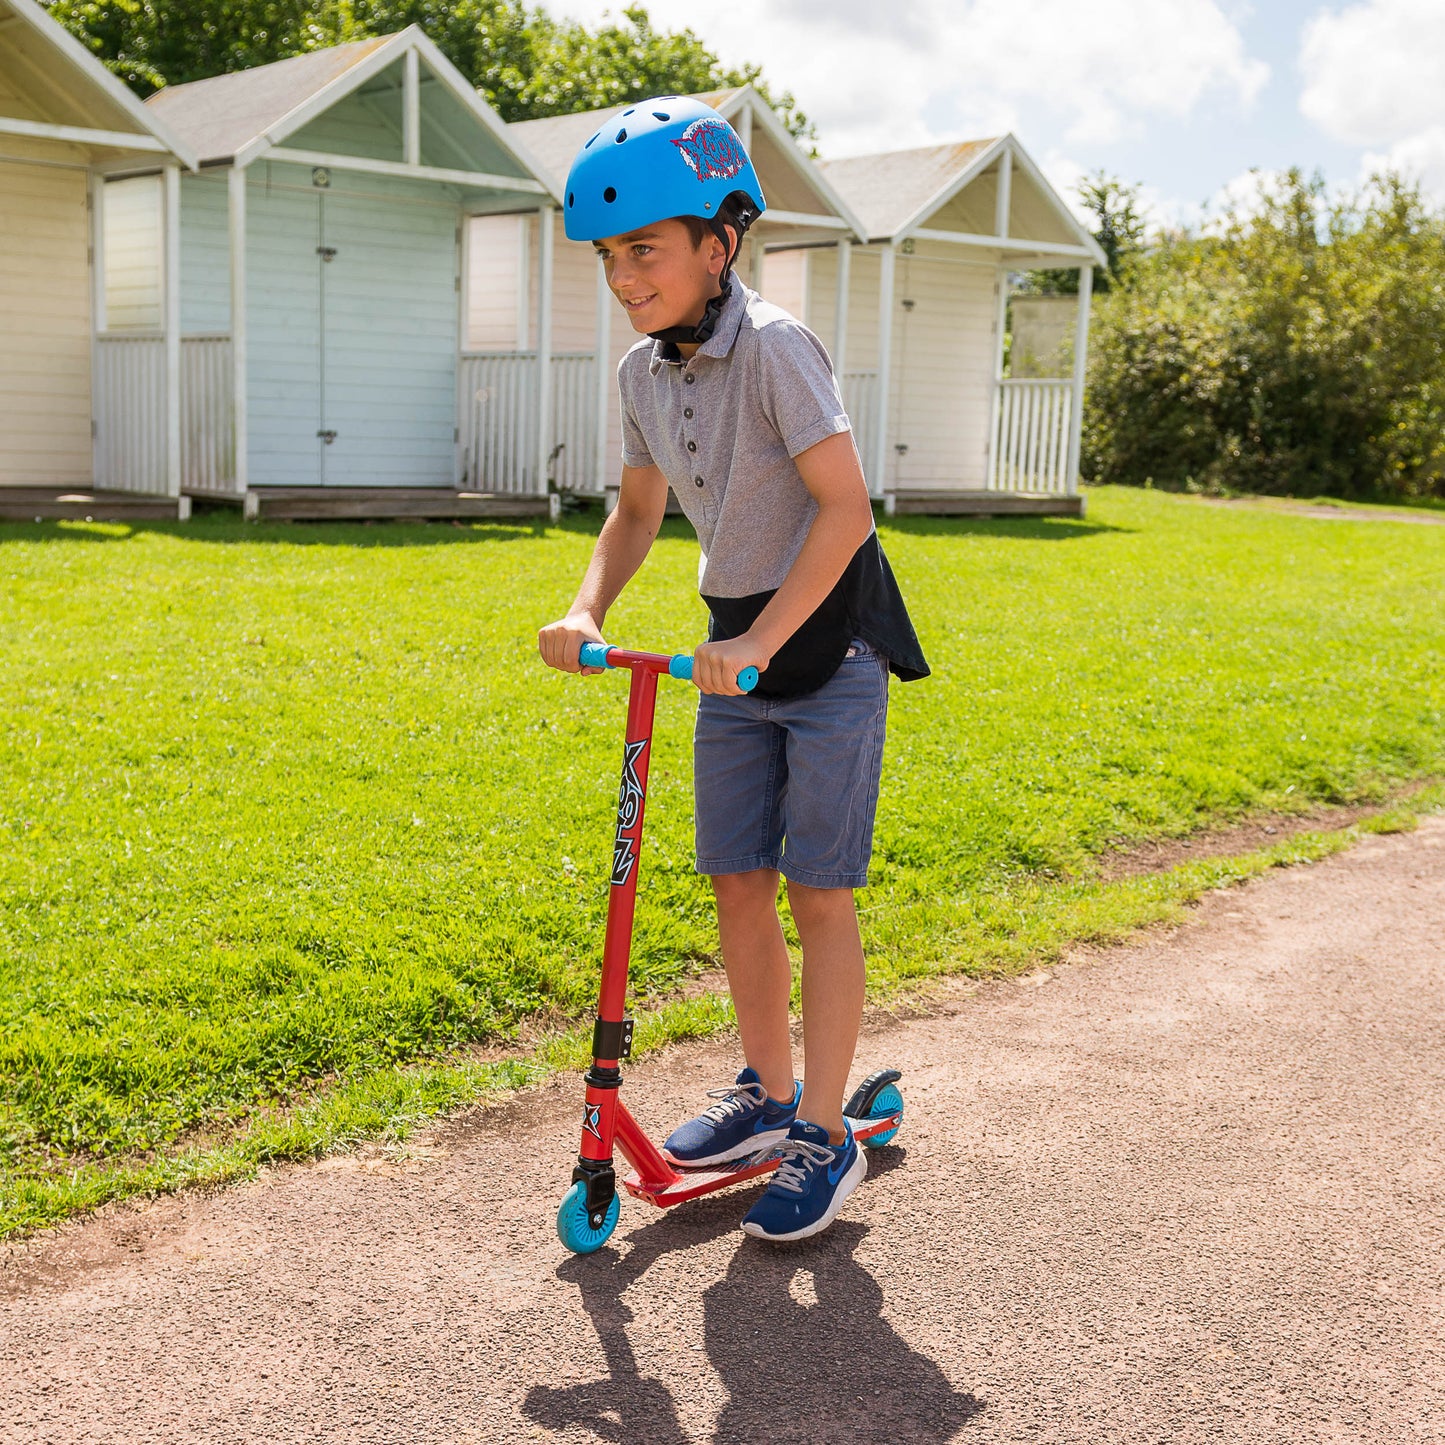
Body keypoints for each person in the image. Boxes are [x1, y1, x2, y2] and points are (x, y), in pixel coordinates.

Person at [538, 97, 929, 1241]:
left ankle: (820, 1128)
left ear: (721, 241)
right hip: (729, 651)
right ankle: (763, 1093)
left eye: (644, 249)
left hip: (824, 643)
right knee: (735, 881)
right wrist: (583, 605)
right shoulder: (641, 373)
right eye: (610, 255)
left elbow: (845, 510)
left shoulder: (775, 347)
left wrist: (762, 642)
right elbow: (635, 510)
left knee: (816, 889)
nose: (623, 275)